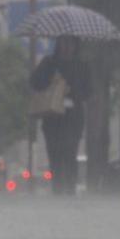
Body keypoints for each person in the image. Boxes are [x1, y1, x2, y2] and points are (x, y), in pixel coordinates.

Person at [30, 36, 91, 195]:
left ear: (76, 45)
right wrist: (52, 81)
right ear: (58, 44)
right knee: (55, 154)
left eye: (71, 43)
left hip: (73, 118)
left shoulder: (81, 66)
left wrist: (72, 91)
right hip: (52, 118)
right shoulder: (49, 63)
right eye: (63, 42)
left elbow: (88, 91)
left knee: (70, 154)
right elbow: (34, 82)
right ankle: (57, 188)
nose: (67, 47)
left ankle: (70, 189)